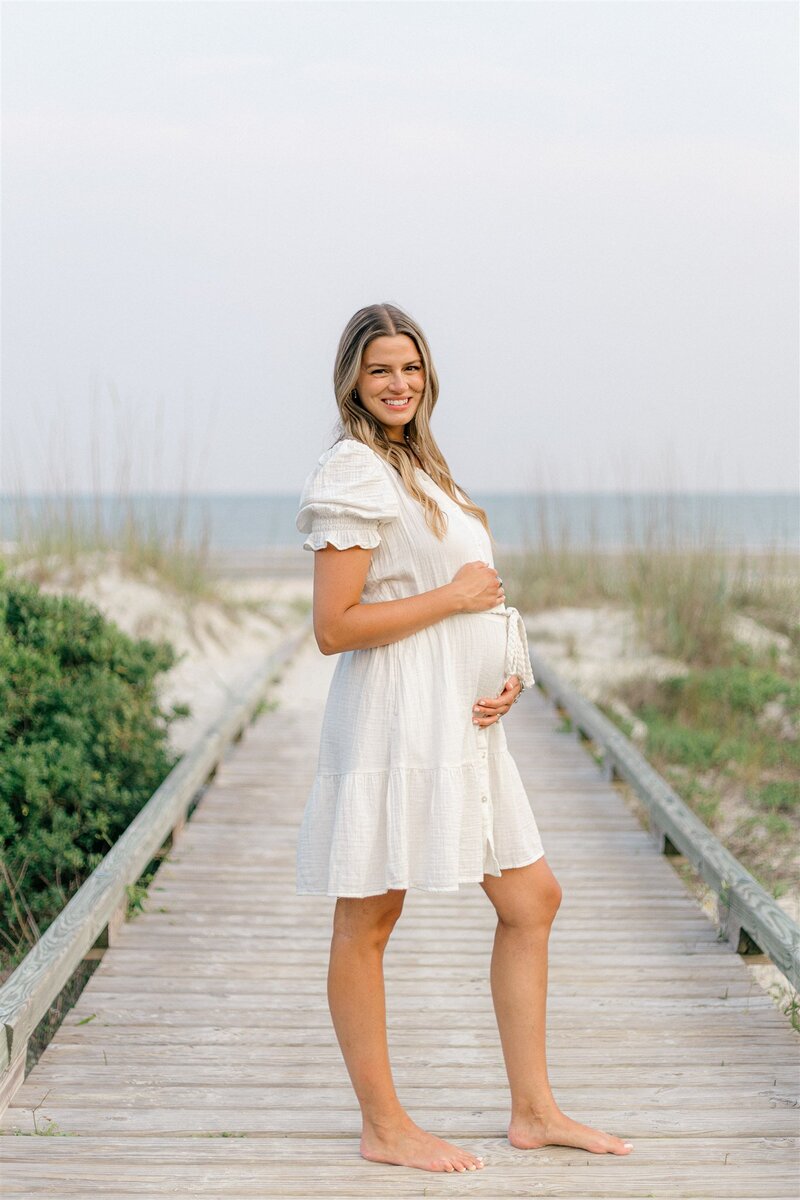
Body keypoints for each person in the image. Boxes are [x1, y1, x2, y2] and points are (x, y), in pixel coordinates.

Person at [294, 303, 634, 1174]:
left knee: (533, 899)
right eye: (380, 370)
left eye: (410, 367)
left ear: (428, 376)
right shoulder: (354, 470)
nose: (398, 382)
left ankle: (534, 1110)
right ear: (353, 382)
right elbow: (335, 625)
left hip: (462, 719)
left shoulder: (421, 467)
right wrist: (454, 603)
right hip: (393, 720)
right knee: (369, 914)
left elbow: (476, 594)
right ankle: (384, 1125)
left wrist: (506, 666)